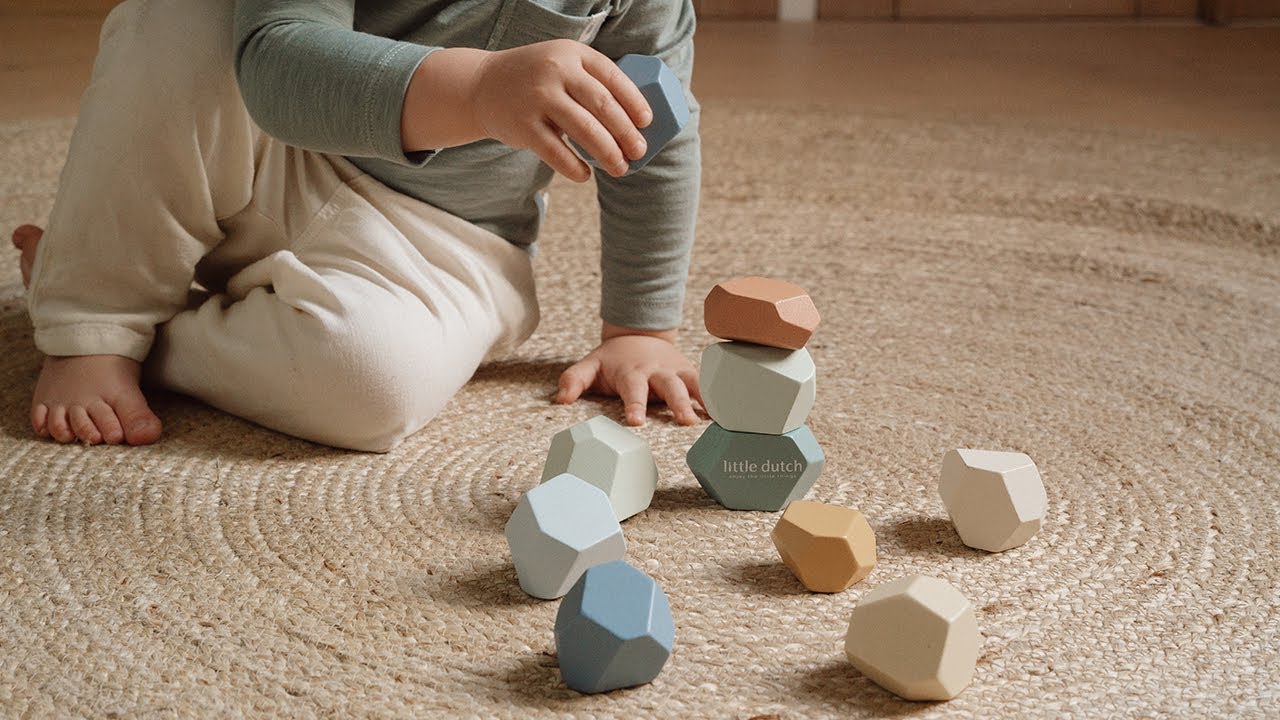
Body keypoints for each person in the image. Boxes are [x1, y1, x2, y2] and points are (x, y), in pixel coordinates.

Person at [12, 0, 703, 452]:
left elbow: (652, 129)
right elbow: (277, 61)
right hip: (274, 150)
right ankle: (97, 313)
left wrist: (640, 330)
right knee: (182, 18)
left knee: (373, 386)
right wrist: (476, 90)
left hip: (448, 241)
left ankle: (139, 313)